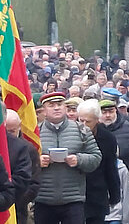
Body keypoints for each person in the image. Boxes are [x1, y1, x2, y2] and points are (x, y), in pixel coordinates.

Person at [35, 91, 102, 224]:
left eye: (60, 104)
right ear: (44, 110)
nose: (56, 108)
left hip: (73, 200)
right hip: (43, 199)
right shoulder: (35, 133)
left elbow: (96, 157)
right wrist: (37, 162)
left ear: (65, 107)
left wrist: (79, 160)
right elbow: (23, 162)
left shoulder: (81, 130)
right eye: (51, 105)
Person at [80, 100, 120, 224]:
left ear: (97, 120)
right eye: (81, 121)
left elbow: (111, 168)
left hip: (97, 192)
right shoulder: (73, 134)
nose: (84, 125)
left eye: (88, 121)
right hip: (76, 192)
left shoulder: (107, 138)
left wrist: (114, 195)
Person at [5, 109, 40, 224]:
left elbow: (34, 182)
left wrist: (16, 201)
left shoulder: (28, 149)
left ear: (19, 127)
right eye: (5, 131)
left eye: (11, 131)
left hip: (18, 208)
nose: (8, 136)